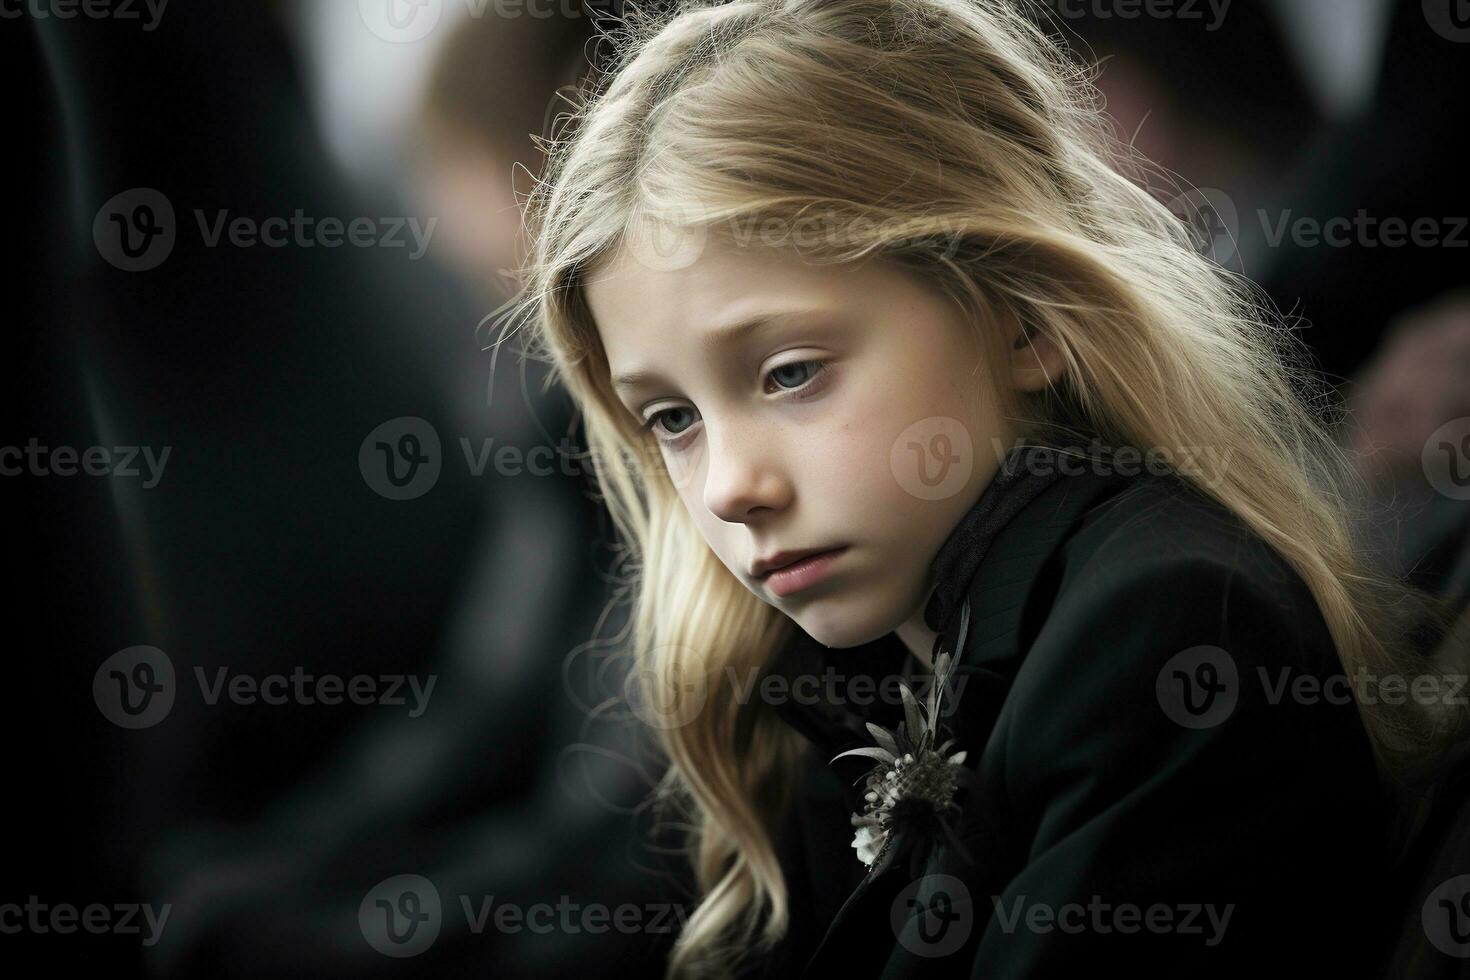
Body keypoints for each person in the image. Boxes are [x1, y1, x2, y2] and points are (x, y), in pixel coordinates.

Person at [491, 1, 1470, 976]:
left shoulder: (1160, 624)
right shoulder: (845, 671)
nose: (731, 487)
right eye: (672, 419)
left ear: (1022, 317)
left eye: (791, 372)